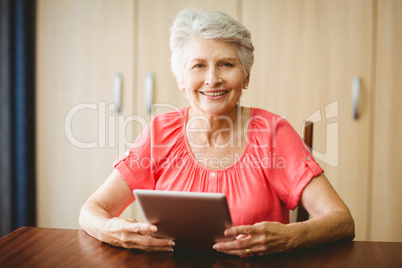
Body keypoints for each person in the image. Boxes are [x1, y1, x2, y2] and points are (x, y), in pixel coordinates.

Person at [79, 8, 355, 256]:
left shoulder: (272, 132)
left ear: (246, 76)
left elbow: (342, 220)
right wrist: (111, 230)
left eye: (226, 64)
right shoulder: (160, 132)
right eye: (199, 65)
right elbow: (92, 210)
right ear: (181, 79)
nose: (213, 79)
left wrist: (289, 237)